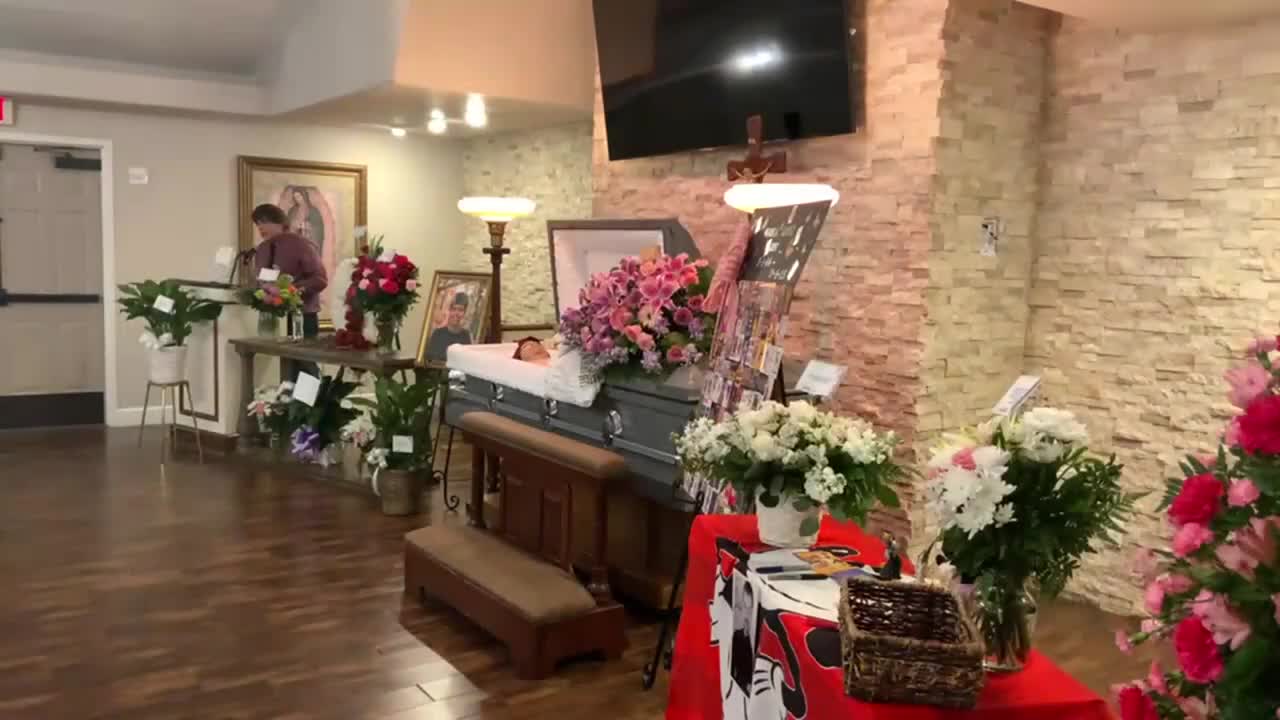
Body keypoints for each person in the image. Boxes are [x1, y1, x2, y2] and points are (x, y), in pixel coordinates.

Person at [251, 203, 329, 338]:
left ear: (280, 222)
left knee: (302, 352)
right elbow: (261, 282)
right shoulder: (262, 249)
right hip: (271, 317)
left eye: (264, 221)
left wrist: (289, 290)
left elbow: (320, 280)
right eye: (257, 223)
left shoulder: (302, 245)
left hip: (301, 315)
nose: (260, 227)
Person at [425, 291, 474, 362]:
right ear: (450, 311)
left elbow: (467, 361)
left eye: (460, 310)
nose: (456, 313)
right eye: (454, 309)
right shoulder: (437, 334)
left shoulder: (466, 336)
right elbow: (428, 361)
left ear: (464, 313)